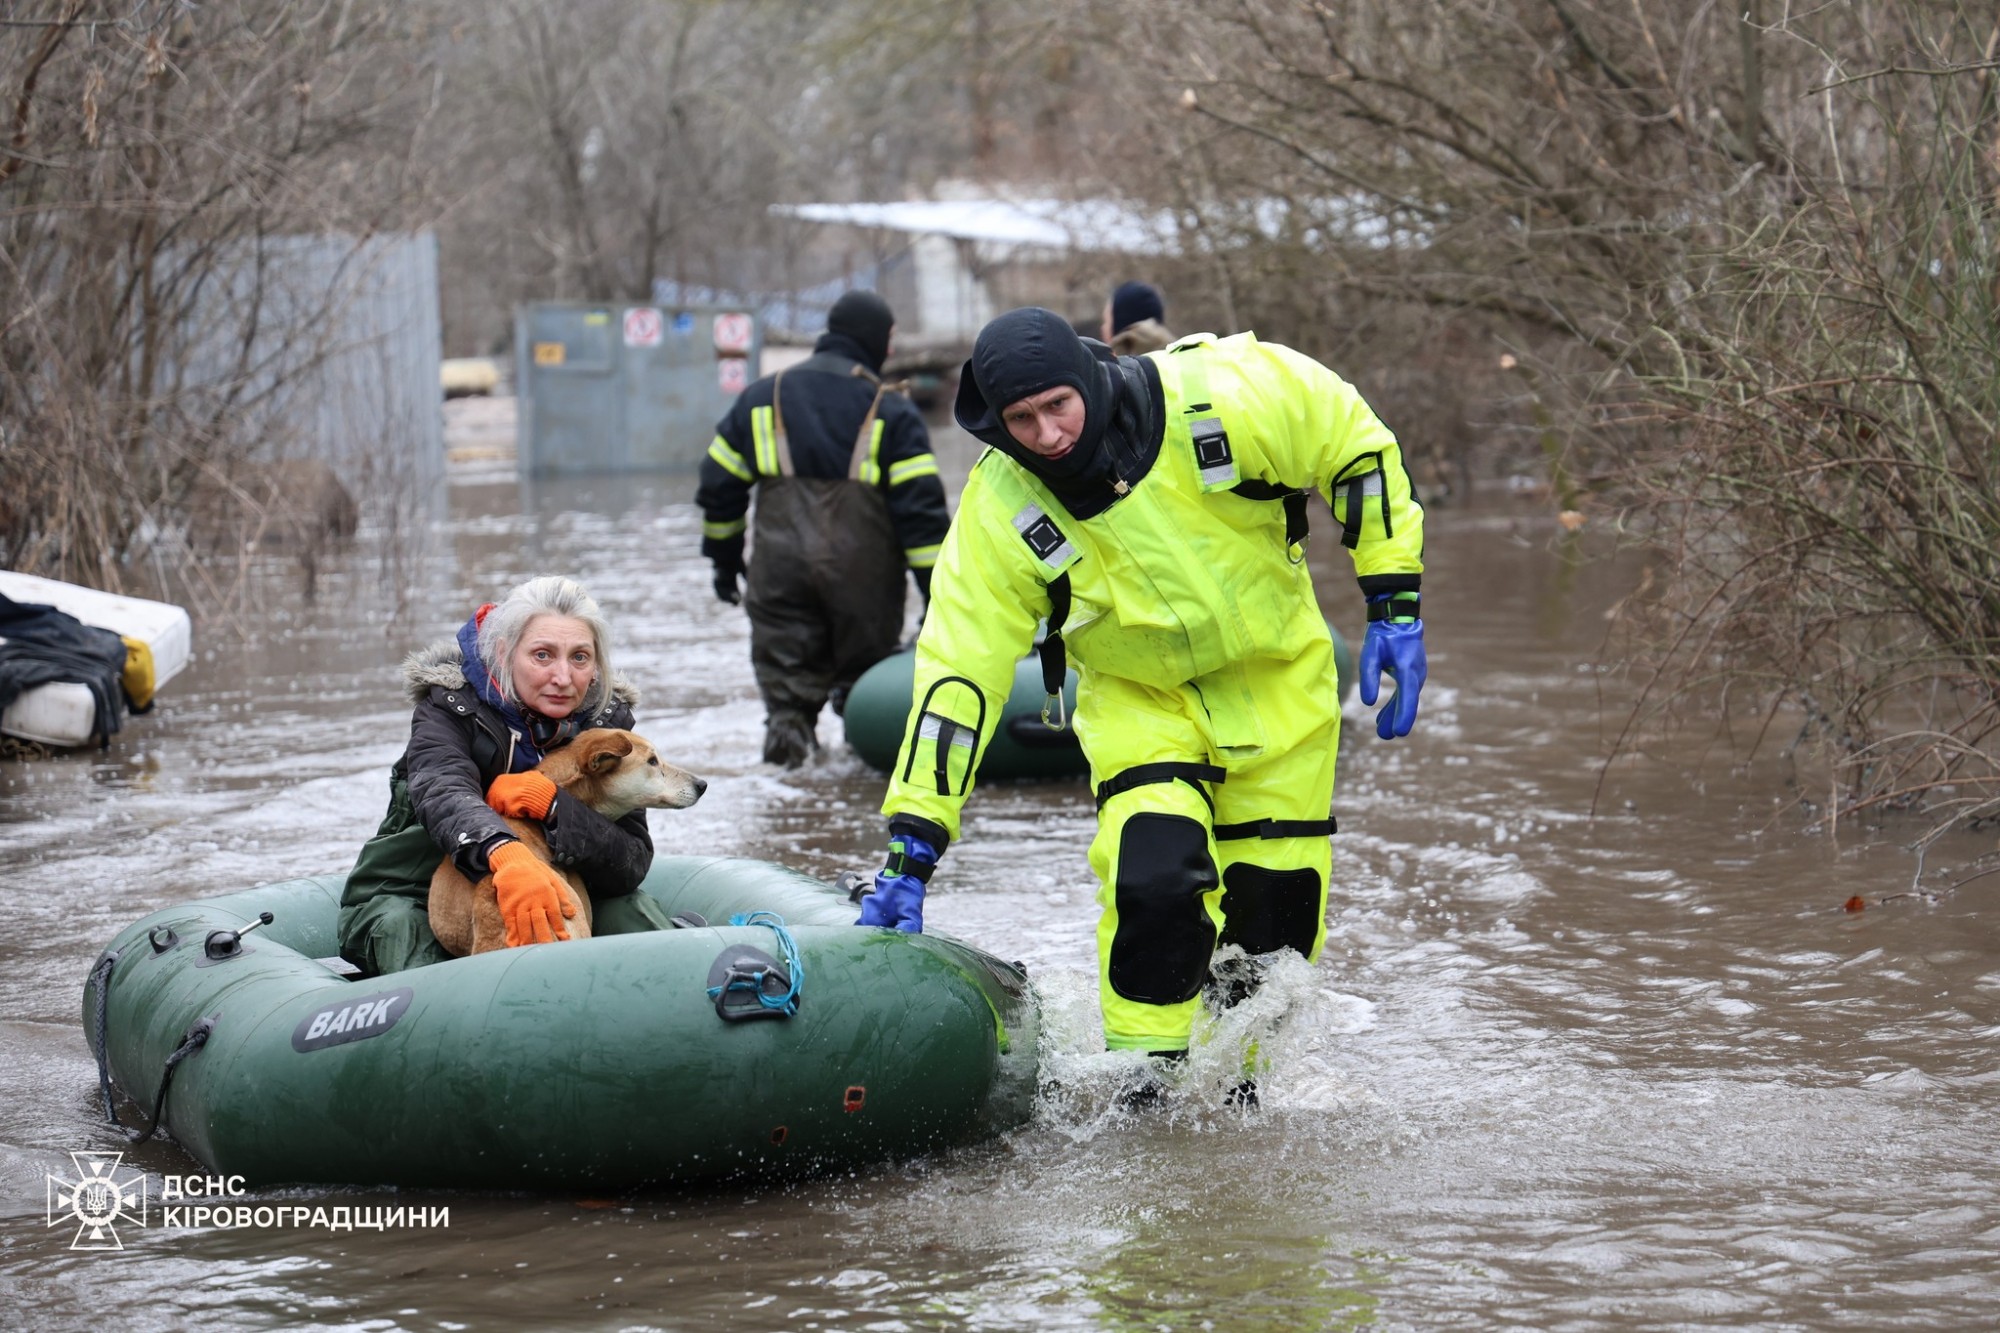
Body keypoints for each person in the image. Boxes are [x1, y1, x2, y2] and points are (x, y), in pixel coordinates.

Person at [854, 307, 1427, 1074]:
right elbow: (959, 673)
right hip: (1140, 702)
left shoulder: (1221, 394)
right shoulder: (1002, 507)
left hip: (1279, 686)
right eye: (1021, 419)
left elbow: (1351, 442)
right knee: (1156, 882)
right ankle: (1140, 1089)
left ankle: (1243, 1090)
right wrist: (913, 842)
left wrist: (1393, 600)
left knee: (1275, 921)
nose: (1048, 434)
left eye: (1058, 405)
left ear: (1086, 379)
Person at [338, 575, 678, 976]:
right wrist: (506, 852)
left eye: (580, 657)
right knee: (405, 938)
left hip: (564, 887)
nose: (563, 677)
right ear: (504, 652)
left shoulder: (609, 730)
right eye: (542, 655)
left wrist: (555, 808)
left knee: (635, 914)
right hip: (410, 893)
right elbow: (442, 789)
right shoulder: (448, 708)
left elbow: (629, 863)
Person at [697, 290, 950, 766]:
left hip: (777, 579)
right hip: (866, 588)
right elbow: (923, 521)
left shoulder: (760, 400)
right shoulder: (891, 412)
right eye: (889, 340)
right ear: (876, 340)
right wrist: (937, 599)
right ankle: (857, 796)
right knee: (866, 700)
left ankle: (788, 796)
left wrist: (724, 562)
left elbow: (718, 487)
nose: (891, 351)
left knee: (787, 711)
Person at [1100, 280, 1175, 356]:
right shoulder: (1176, 352)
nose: (1102, 328)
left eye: (1106, 321)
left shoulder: (1121, 364)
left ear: (1120, 322)